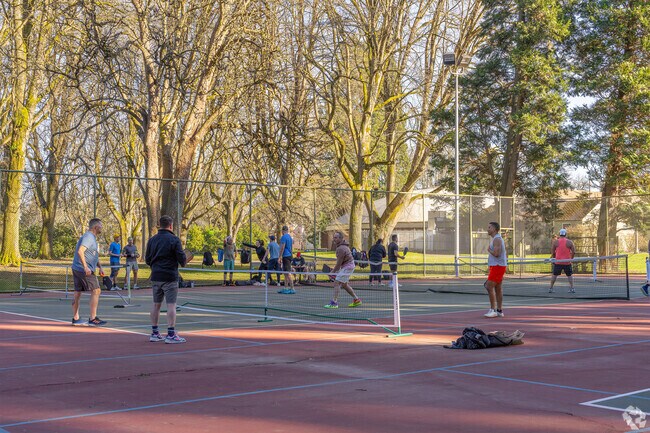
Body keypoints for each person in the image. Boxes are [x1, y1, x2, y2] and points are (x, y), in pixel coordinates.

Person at [145, 215, 187, 344]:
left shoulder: (152, 240)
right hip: (170, 276)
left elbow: (147, 259)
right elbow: (182, 260)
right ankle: (170, 334)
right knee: (171, 305)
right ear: (170, 226)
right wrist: (184, 259)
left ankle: (155, 332)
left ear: (160, 224)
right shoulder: (174, 240)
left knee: (156, 304)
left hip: (156, 275)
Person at [71, 218, 107, 326]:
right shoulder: (89, 237)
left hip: (77, 268)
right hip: (83, 269)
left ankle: (76, 318)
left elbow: (93, 255)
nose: (102, 227)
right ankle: (93, 318)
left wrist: (100, 267)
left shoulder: (91, 238)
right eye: (101, 226)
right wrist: (86, 267)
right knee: (96, 290)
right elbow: (80, 251)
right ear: (96, 227)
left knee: (77, 293)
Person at [324, 231, 362, 309]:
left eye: (336, 237)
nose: (334, 239)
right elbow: (340, 263)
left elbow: (339, 263)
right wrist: (335, 271)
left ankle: (334, 302)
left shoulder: (341, 249)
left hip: (348, 266)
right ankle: (356, 299)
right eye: (334, 237)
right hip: (347, 266)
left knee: (336, 283)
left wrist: (332, 272)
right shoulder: (341, 247)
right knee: (344, 285)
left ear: (341, 239)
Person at [484, 221, 507, 318]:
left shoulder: (497, 239)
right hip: (496, 266)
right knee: (497, 288)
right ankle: (499, 311)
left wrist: (489, 250)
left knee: (489, 286)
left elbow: (497, 254)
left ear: (494, 229)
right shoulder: (496, 239)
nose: (487, 229)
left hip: (498, 266)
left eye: (489, 227)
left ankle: (493, 309)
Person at [549, 228, 576, 294]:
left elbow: (552, 252)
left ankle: (551, 288)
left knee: (554, 275)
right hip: (567, 262)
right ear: (565, 234)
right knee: (569, 275)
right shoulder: (570, 242)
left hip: (558, 262)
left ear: (559, 234)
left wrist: (554, 259)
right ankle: (572, 288)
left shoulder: (555, 242)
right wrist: (571, 259)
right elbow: (574, 252)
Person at [278, 225, 295, 294]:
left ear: (283, 231)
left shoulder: (283, 237)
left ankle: (292, 288)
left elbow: (282, 247)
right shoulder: (290, 237)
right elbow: (291, 247)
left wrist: (279, 257)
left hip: (286, 256)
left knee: (288, 273)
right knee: (285, 273)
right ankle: (286, 287)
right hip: (289, 255)